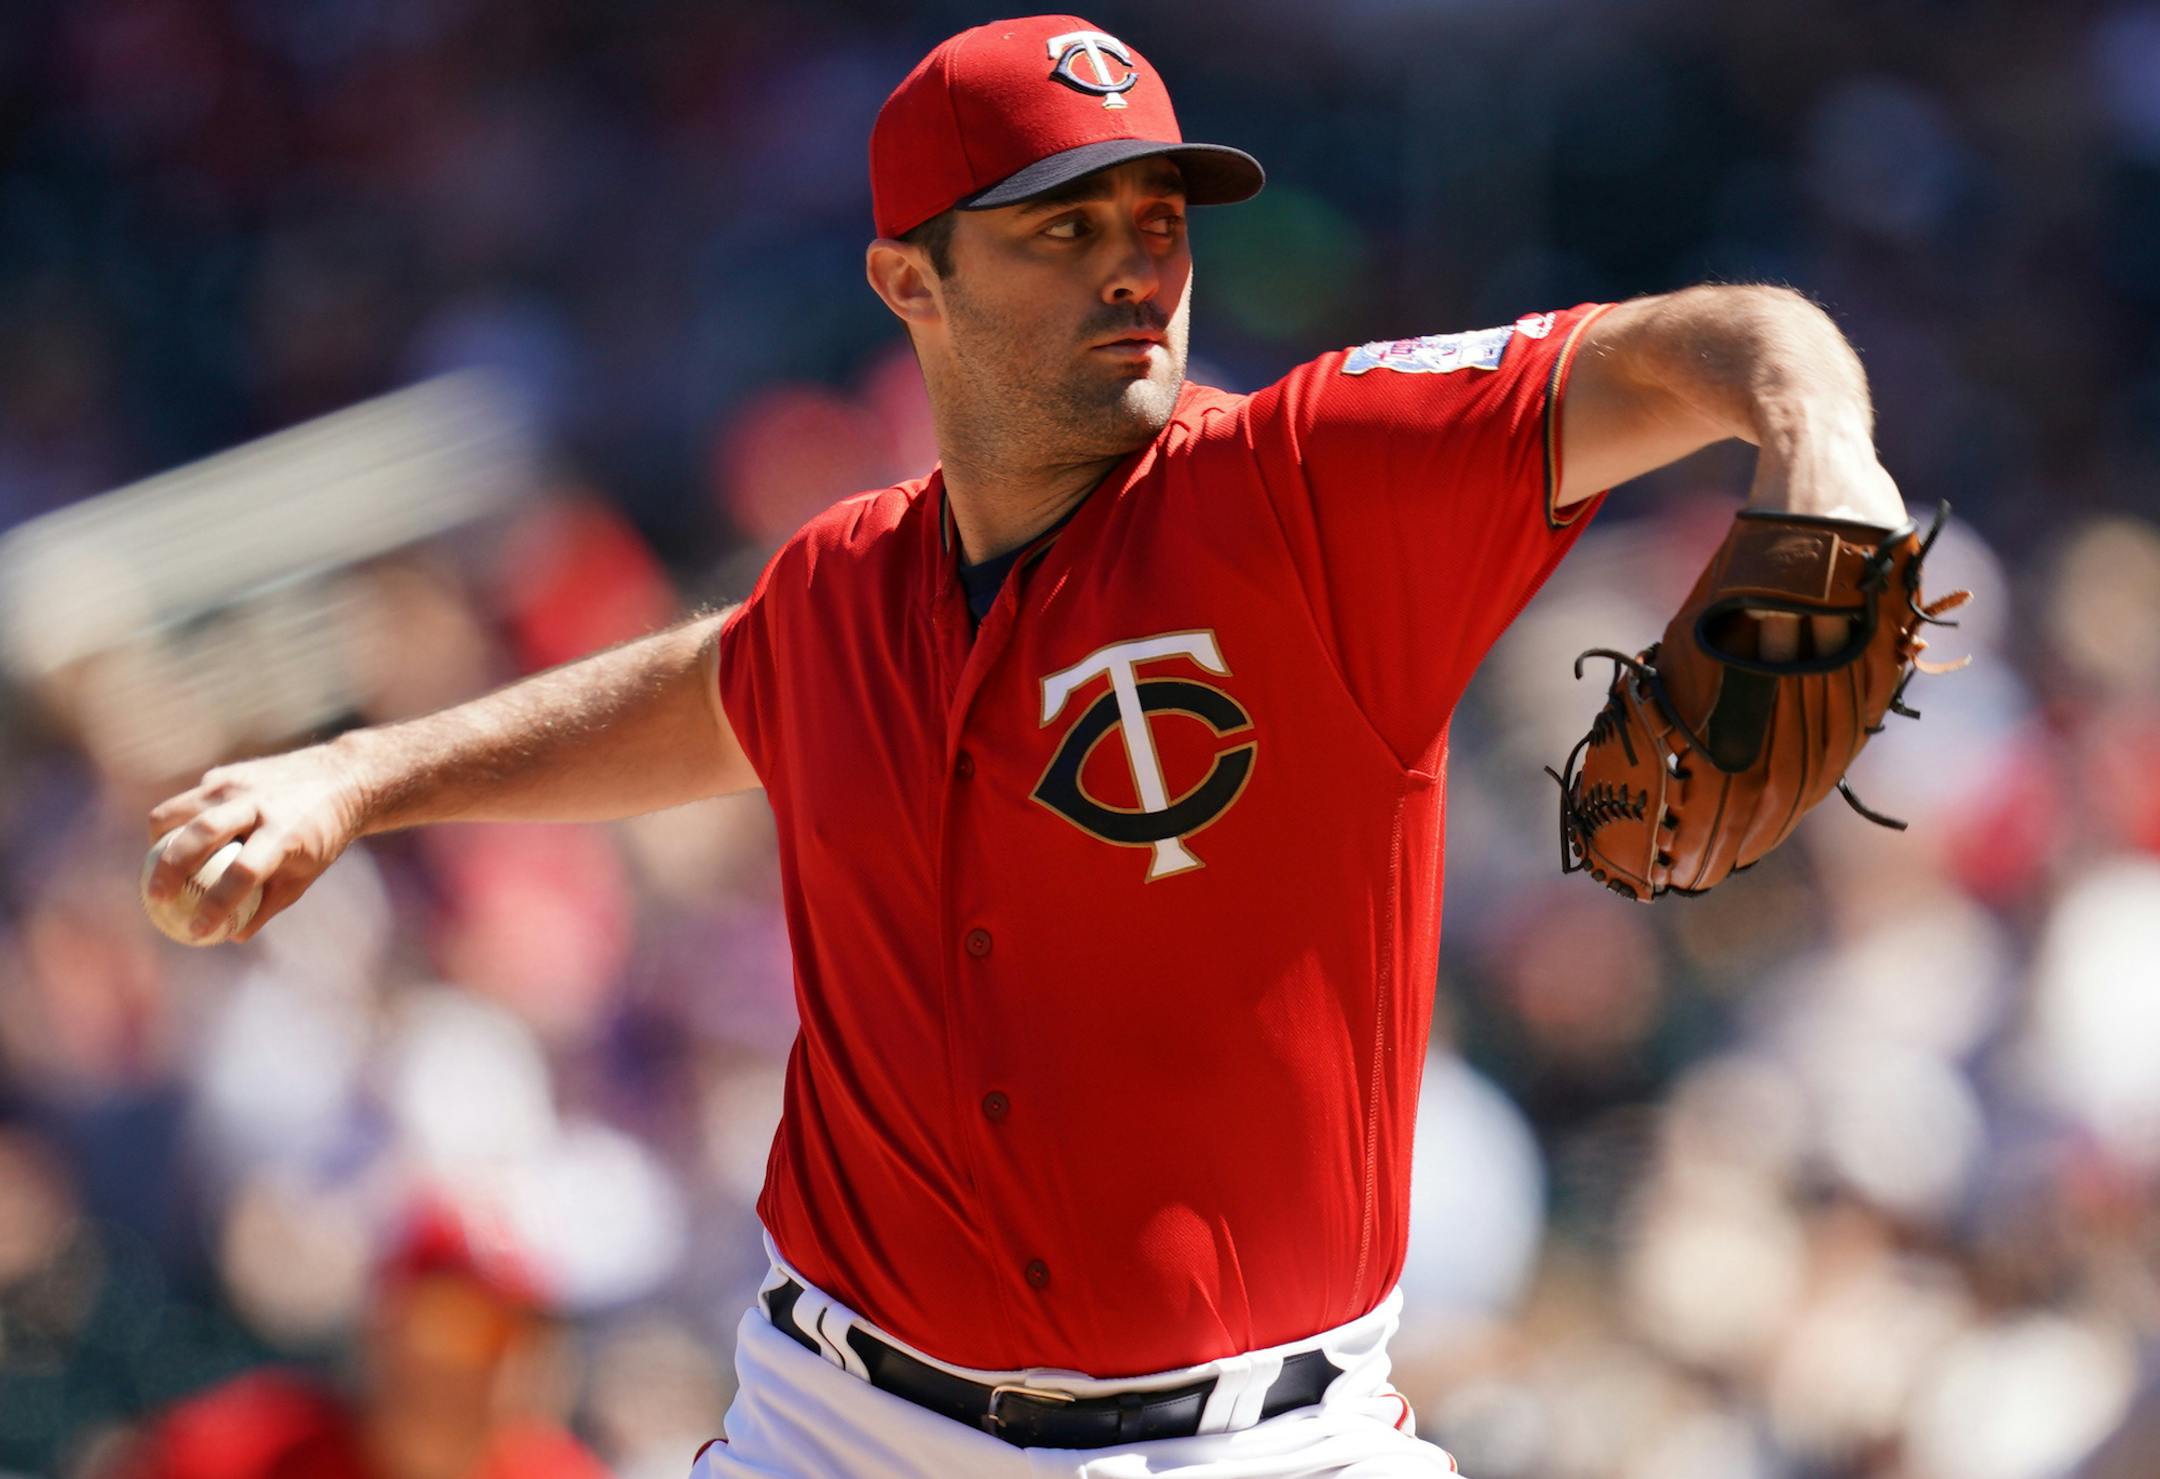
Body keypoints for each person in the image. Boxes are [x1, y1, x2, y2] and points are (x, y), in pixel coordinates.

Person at [142, 14, 1909, 1476]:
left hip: (1257, 1437)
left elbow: (1716, 343)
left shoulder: (1310, 489)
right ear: (908, 277)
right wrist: (358, 773)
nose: (1137, 263)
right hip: (838, 1417)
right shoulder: (845, 586)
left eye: (1160, 217)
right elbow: (713, 687)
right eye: (1063, 227)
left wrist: (1820, 444)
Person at [109, 1204, 607, 1479]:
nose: (493, 1365)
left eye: (520, 1334)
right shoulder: (228, 1457)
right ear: (382, 1329)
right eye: (456, 1328)